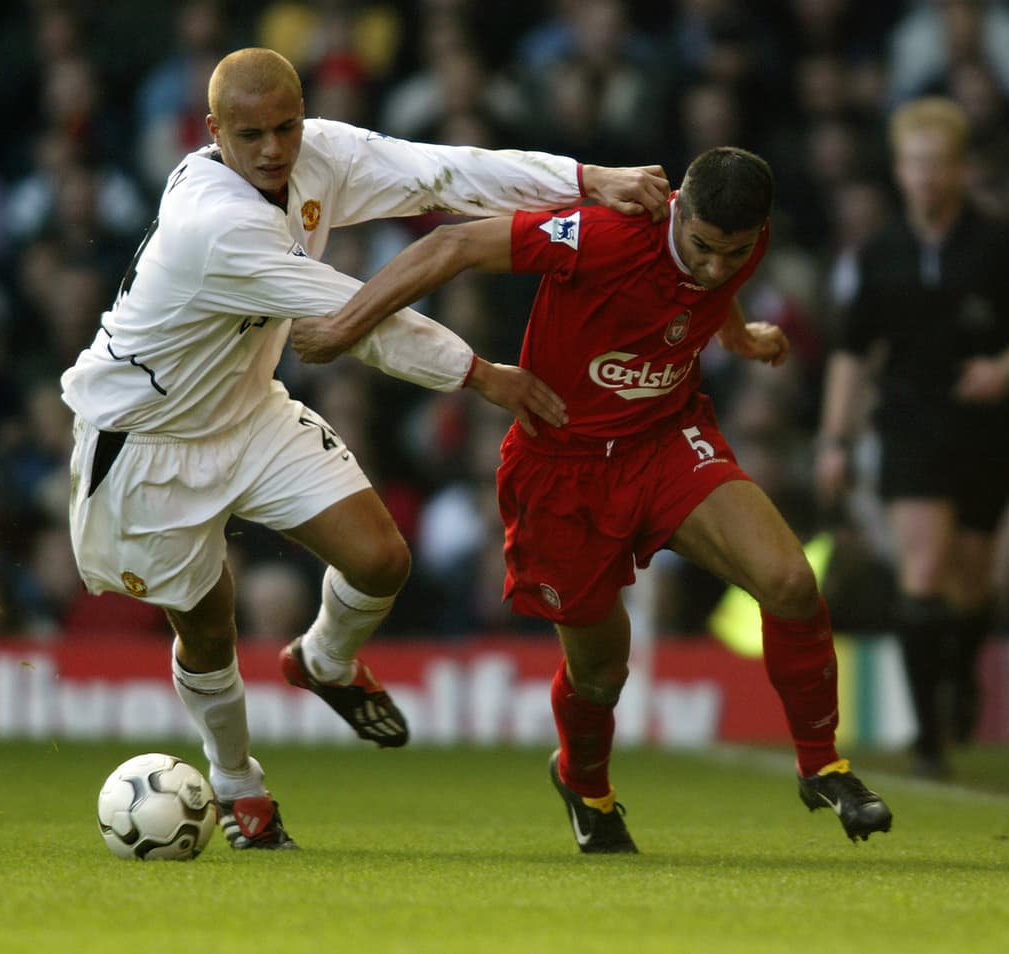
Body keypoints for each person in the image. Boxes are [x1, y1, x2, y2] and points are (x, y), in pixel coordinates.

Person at [61, 47, 670, 851]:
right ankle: (241, 788)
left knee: (381, 560)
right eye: (252, 135)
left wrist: (589, 180)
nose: (275, 149)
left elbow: (442, 172)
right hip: (147, 442)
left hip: (247, 412)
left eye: (287, 125)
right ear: (214, 132)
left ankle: (322, 660)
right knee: (209, 625)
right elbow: (363, 316)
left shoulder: (317, 156)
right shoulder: (216, 226)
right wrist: (483, 375)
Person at [289, 146, 894, 852]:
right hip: (561, 468)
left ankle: (824, 766)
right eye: (702, 246)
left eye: (735, 253)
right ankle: (584, 783)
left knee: (791, 582)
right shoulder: (605, 234)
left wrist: (740, 334)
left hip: (666, 440)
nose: (716, 265)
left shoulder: (738, 240)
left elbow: (706, 295)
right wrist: (343, 325)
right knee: (601, 671)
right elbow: (453, 244)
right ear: (680, 213)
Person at [814, 97, 1009, 778]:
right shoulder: (881, 253)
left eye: (938, 165)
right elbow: (850, 350)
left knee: (972, 582)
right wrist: (835, 440)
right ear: (900, 170)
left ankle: (960, 673)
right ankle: (930, 737)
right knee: (923, 568)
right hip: (908, 423)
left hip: (985, 429)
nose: (926, 178)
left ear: (960, 170)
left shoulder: (1001, 244)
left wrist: (1006, 369)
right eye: (915, 165)